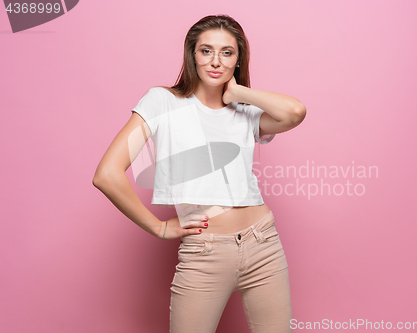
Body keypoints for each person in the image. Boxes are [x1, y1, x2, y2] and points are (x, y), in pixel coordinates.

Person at [93, 14, 306, 333]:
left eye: (227, 52)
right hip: (204, 251)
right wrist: (158, 227)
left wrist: (239, 94)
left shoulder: (246, 112)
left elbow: (294, 112)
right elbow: (107, 174)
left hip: (263, 243)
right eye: (206, 50)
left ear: (238, 60)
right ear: (192, 55)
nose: (215, 61)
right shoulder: (161, 102)